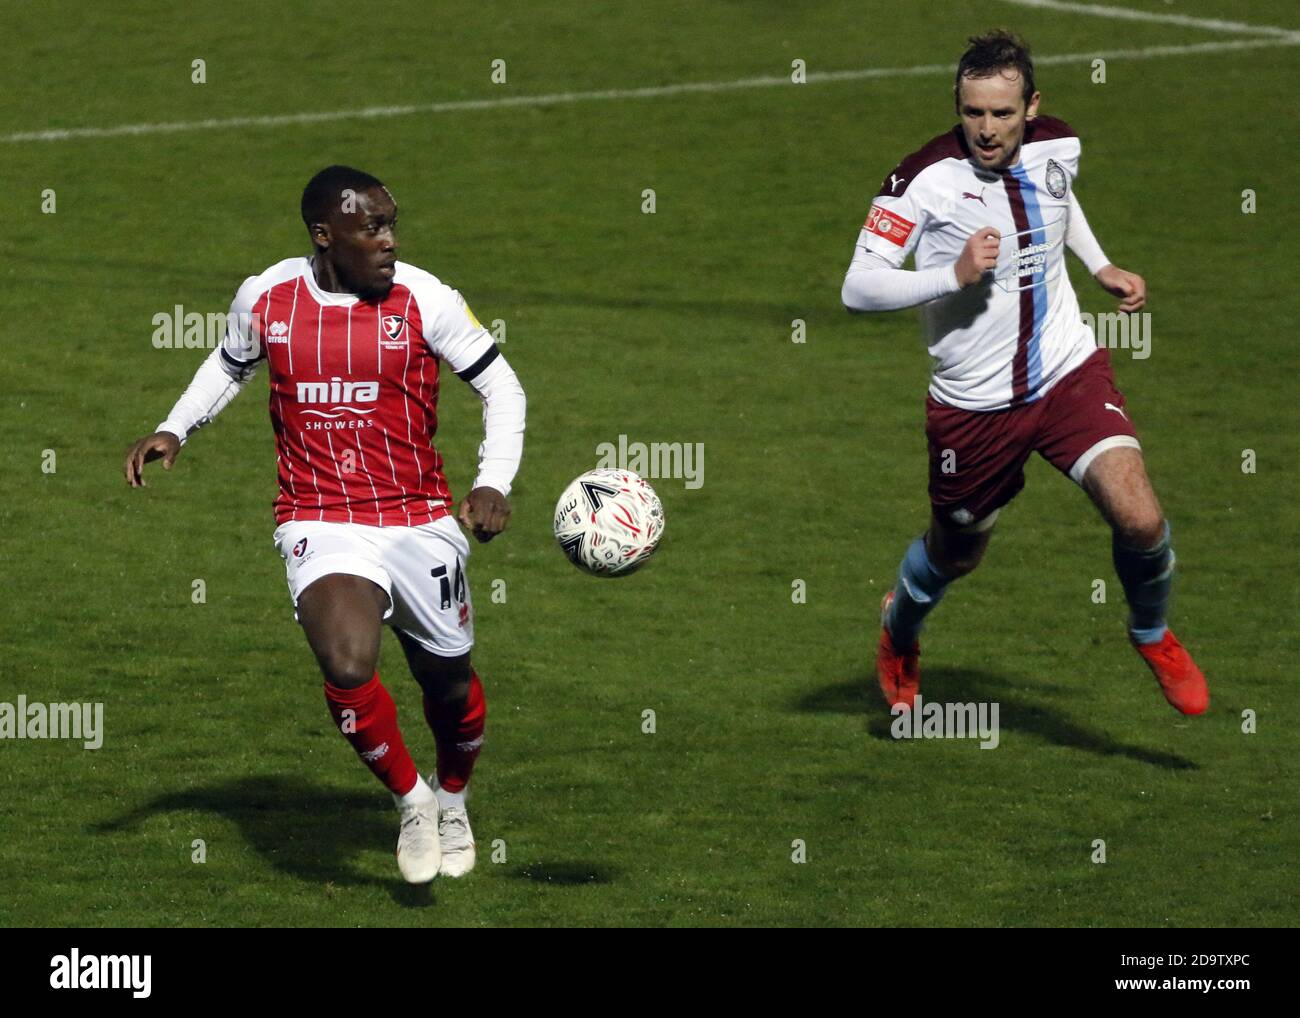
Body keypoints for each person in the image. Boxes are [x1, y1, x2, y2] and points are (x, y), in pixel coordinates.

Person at [124, 165, 526, 882]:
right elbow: (230, 362)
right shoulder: (267, 297)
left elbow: (501, 385)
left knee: (451, 689)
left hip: (418, 519)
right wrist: (175, 427)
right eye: (371, 228)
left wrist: (492, 480)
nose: (389, 242)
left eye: (391, 224)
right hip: (320, 515)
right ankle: (412, 801)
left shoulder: (425, 299)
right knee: (345, 662)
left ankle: (454, 798)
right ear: (324, 235)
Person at [841, 32, 1208, 716]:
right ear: (958, 105)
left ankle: (1151, 631)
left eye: (1002, 114)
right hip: (973, 406)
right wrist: (952, 275)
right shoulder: (921, 181)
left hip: (1066, 371)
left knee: (1141, 517)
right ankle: (901, 628)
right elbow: (857, 289)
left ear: (1031, 107)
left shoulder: (1058, 144)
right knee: (956, 556)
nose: (986, 129)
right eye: (973, 112)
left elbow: (1059, 202)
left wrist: (1099, 265)